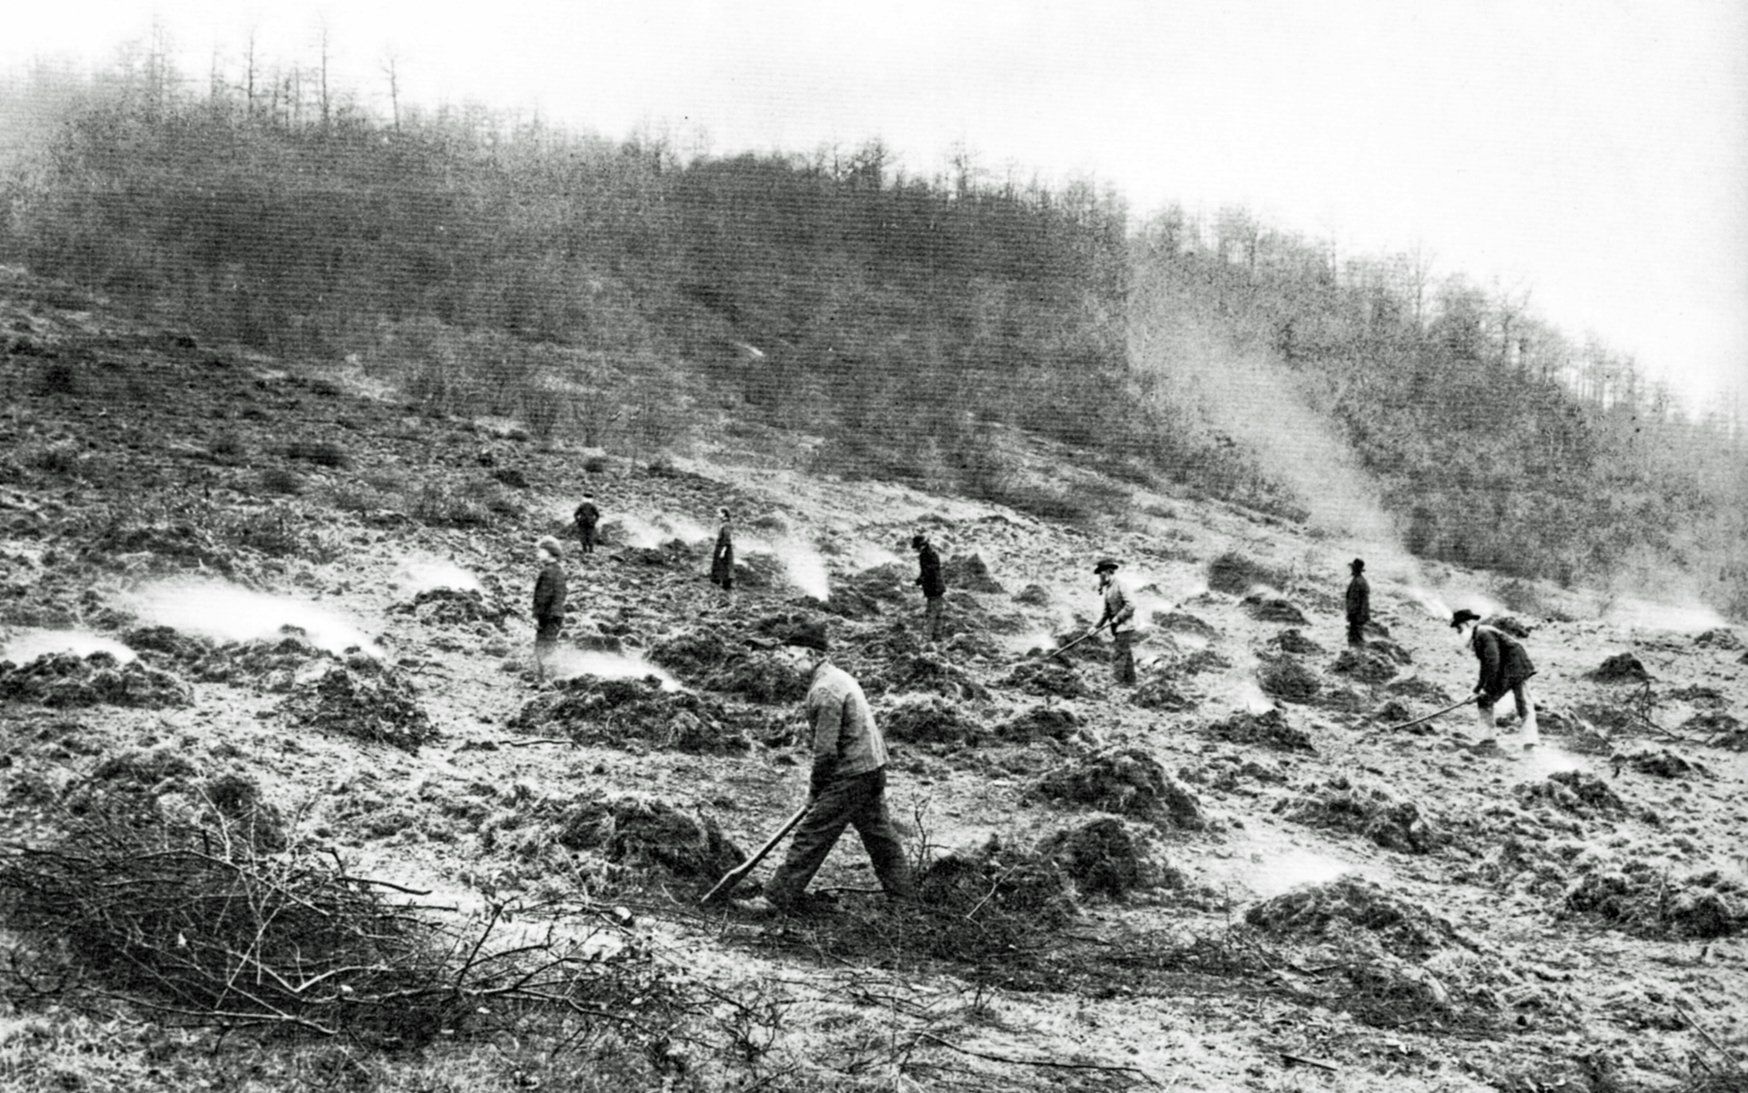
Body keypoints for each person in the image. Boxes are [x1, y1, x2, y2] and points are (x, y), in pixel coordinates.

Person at [758, 621, 915, 914]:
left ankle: (774, 899)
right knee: (879, 835)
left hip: (853, 771)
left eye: (793, 657)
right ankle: (904, 902)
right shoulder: (837, 677)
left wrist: (815, 793)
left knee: (813, 833)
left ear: (812, 654)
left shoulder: (825, 691)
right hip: (872, 766)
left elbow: (825, 753)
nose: (789, 664)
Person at [1451, 609, 1539, 750]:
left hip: (1517, 667)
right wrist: (1476, 691)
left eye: (1459, 628)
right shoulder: (1477, 638)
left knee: (1523, 701)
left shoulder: (1483, 633)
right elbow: (1485, 667)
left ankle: (1530, 741)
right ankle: (1488, 739)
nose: (1458, 632)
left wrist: (1486, 689)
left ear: (1467, 624)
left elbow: (1493, 661)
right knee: (1484, 700)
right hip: (1503, 669)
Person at [1094, 558, 1137, 685]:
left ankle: (1115, 681)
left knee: (1119, 653)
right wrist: (1095, 627)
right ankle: (1130, 681)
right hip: (1117, 627)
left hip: (1125, 626)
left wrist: (1118, 618)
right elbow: (1106, 612)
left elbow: (1131, 605)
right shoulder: (1108, 589)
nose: (1100, 576)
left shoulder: (1121, 585)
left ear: (1109, 571)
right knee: (1126, 653)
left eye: (1101, 573)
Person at [532, 536, 568, 683]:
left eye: (541, 551)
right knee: (549, 646)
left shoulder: (547, 572)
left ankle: (544, 680)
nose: (538, 554)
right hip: (557, 615)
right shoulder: (559, 571)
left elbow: (543, 597)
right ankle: (549, 679)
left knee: (542, 647)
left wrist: (537, 617)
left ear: (549, 552)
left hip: (547, 616)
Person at [912, 533, 945, 642]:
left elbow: (928, 572)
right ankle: (937, 636)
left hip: (933, 588)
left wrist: (918, 581)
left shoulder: (926, 555)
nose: (916, 550)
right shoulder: (931, 553)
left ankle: (926, 638)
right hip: (937, 587)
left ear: (922, 545)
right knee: (938, 613)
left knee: (931, 613)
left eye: (917, 547)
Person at [1345, 558, 1371, 647]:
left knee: (1355, 638)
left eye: (1353, 568)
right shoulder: (1360, 580)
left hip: (1357, 615)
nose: (1351, 570)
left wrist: (1352, 614)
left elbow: (1357, 600)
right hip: (1357, 614)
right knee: (1356, 637)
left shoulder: (1358, 582)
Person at [710, 508, 735, 591]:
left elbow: (726, 538)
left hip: (724, 547)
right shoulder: (724, 524)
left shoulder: (726, 525)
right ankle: (719, 582)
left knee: (724, 566)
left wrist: (723, 550)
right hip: (721, 547)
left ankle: (725, 584)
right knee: (720, 565)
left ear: (724, 514)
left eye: (719, 513)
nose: (717, 514)